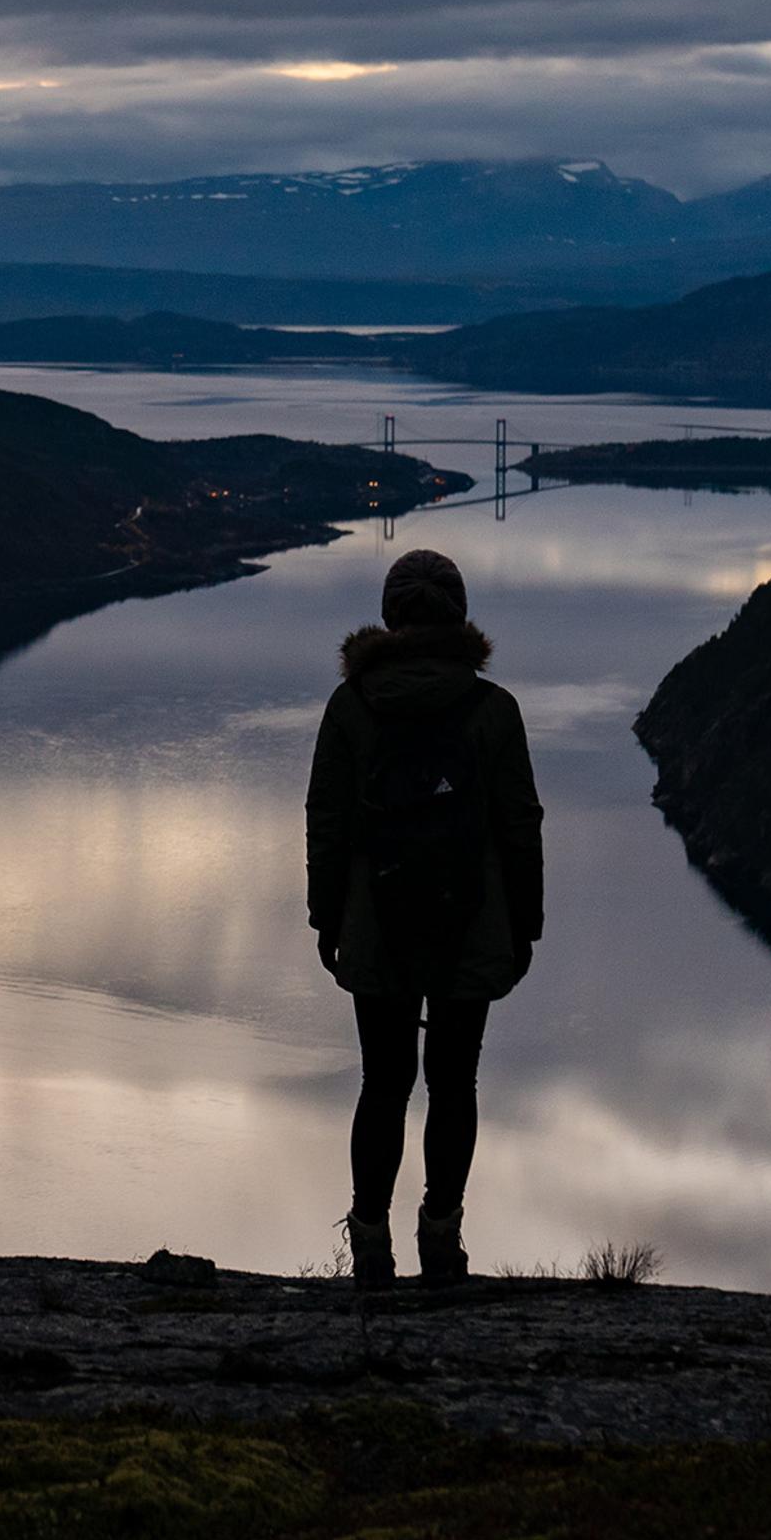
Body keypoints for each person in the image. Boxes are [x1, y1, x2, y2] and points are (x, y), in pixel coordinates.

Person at [303, 545, 544, 1287]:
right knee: (454, 1082)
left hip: (376, 921)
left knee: (383, 1082)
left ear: (388, 614)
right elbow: (518, 824)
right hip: (472, 922)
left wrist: (326, 917)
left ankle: (370, 1241)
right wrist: (525, 925)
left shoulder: (351, 707)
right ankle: (442, 1237)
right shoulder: (493, 710)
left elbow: (328, 820)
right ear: (460, 615)